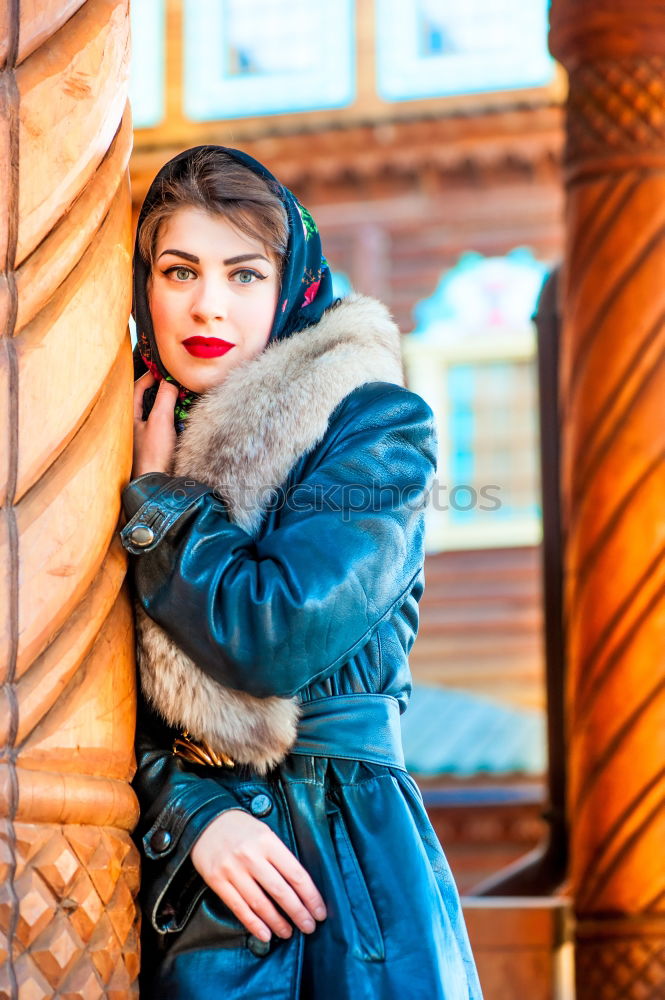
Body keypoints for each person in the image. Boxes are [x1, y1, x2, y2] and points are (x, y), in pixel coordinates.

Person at [120, 145, 483, 1000]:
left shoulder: (372, 422)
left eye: (244, 275)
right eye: (179, 271)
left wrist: (164, 504)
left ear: (290, 285)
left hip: (342, 861)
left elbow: (276, 631)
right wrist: (187, 812)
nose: (207, 303)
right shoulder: (113, 435)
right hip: (171, 882)